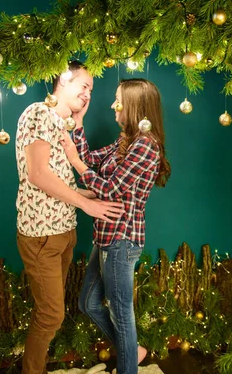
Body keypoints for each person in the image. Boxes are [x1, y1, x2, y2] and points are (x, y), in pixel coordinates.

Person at [15, 60, 125, 374]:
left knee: (50, 312)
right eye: (84, 86)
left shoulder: (61, 124)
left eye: (91, 89)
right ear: (64, 80)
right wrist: (85, 204)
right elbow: (37, 174)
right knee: (51, 315)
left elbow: (63, 177)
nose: (89, 93)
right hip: (41, 235)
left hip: (64, 232)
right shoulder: (39, 114)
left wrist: (94, 195)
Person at [61, 78, 171, 374]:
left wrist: (75, 162)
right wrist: (78, 123)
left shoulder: (146, 147)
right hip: (106, 237)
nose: (112, 105)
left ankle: (128, 364)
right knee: (88, 304)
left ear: (134, 106)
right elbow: (88, 159)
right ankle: (132, 350)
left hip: (122, 240)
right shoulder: (127, 141)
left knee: (122, 314)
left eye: (118, 100)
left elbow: (109, 188)